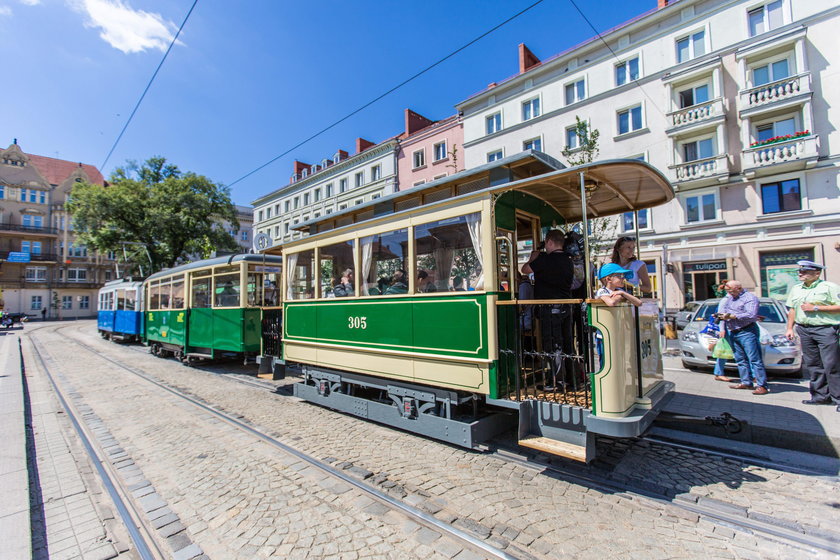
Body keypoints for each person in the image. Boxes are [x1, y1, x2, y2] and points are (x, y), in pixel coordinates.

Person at [522, 229, 575, 387]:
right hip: (566, 307)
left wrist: (534, 256)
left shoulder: (546, 260)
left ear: (550, 242)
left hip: (550, 309)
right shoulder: (568, 259)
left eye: (546, 244)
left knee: (553, 345)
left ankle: (556, 382)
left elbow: (524, 269)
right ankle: (572, 379)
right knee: (567, 344)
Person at [784, 261, 840, 410]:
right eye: (800, 271)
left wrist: (816, 307)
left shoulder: (829, 287)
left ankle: (838, 399)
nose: (800, 274)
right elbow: (792, 310)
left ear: (817, 273)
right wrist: (790, 328)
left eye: (805, 271)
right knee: (814, 365)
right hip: (805, 329)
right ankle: (820, 397)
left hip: (826, 329)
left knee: (832, 365)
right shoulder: (796, 289)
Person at [717, 281, 769, 395]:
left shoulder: (750, 298)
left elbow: (751, 315)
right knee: (740, 359)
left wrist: (733, 316)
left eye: (729, 289)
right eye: (726, 290)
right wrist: (720, 316)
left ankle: (762, 385)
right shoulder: (731, 298)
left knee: (754, 359)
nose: (728, 292)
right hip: (733, 331)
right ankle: (746, 382)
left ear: (738, 288)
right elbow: (725, 312)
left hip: (747, 331)